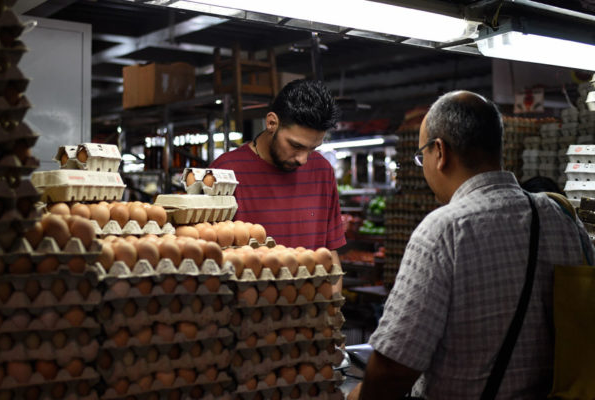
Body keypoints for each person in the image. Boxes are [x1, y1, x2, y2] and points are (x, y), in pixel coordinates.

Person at [348, 90, 593, 399]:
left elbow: (393, 369)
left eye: (421, 154)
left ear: (440, 152)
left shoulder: (443, 231)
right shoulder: (563, 219)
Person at [210, 79, 346, 284]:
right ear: (272, 123)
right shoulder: (225, 172)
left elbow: (330, 252)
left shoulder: (322, 171)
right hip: (247, 308)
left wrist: (333, 308)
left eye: (312, 149)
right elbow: (211, 257)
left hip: (310, 308)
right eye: (295, 145)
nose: (303, 159)